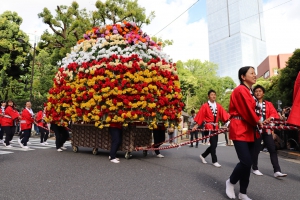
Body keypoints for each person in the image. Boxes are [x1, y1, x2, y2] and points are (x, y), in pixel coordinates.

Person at [226, 66, 262, 200]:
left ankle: (243, 193)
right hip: (240, 128)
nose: (255, 75)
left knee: (249, 162)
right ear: (243, 76)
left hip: (250, 128)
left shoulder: (250, 91)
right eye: (251, 73)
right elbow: (247, 110)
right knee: (246, 162)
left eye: (255, 73)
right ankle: (230, 182)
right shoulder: (241, 89)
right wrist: (258, 121)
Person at [251, 84, 287, 178]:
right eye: (256, 91)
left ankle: (277, 171)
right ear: (254, 93)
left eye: (260, 91)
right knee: (256, 149)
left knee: (272, 149)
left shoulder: (268, 104)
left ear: (263, 93)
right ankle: (255, 168)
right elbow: (250, 115)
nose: (258, 93)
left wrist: (269, 119)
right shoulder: (252, 104)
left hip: (267, 129)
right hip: (256, 129)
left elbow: (274, 114)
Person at [192, 90, 230, 167]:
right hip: (208, 127)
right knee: (213, 144)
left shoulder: (218, 106)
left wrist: (229, 124)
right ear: (208, 96)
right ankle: (214, 161)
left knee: (214, 145)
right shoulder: (205, 106)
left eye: (214, 94)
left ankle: (203, 155)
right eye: (212, 94)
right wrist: (196, 126)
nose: (213, 96)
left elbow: (224, 115)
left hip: (215, 127)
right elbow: (200, 116)